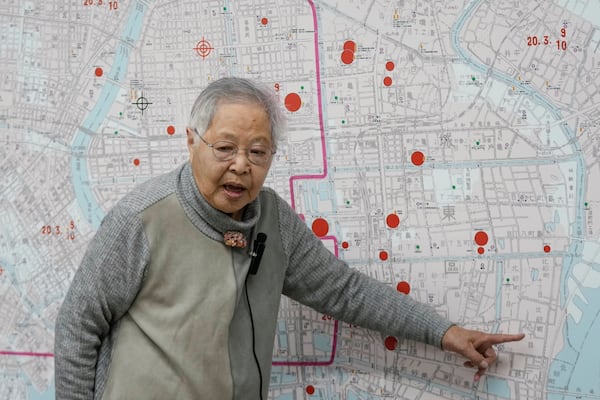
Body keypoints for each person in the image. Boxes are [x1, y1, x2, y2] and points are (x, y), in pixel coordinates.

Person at [54, 77, 525, 400]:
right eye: (224, 148)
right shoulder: (141, 218)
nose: (241, 164)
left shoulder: (272, 219)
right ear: (191, 140)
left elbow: (344, 291)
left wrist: (444, 332)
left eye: (258, 152)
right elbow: (78, 324)